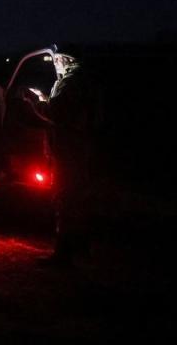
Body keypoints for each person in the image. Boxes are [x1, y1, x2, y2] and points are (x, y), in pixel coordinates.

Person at [36, 53, 102, 267]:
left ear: (67, 60)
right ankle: (83, 247)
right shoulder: (84, 81)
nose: (55, 63)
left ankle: (63, 254)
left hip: (69, 148)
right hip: (79, 146)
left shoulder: (70, 82)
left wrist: (37, 102)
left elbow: (58, 113)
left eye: (57, 59)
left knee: (65, 198)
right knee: (78, 197)